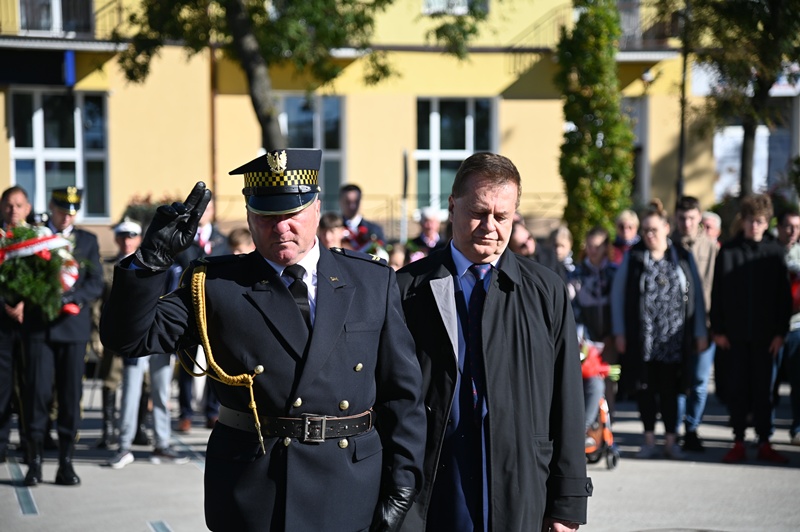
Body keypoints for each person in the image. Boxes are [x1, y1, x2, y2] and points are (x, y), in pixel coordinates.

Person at [100, 149, 425, 531]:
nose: (281, 227)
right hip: (254, 489)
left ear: (317, 208)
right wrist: (151, 260)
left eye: (292, 214)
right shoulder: (216, 285)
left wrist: (403, 482)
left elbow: (402, 395)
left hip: (348, 486)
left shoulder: (371, 281)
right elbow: (128, 339)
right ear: (250, 217)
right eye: (268, 216)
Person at [396, 152, 591, 532]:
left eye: (502, 217)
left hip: (521, 482)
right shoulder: (406, 290)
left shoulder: (546, 292)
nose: (490, 227)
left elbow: (567, 400)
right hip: (435, 483)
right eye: (479, 212)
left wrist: (567, 504)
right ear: (453, 206)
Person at [611, 199, 707, 460]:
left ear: (666, 228)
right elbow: (618, 296)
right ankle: (649, 440)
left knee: (672, 390)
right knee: (646, 390)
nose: (649, 235)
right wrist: (620, 332)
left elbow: (696, 296)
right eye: (645, 230)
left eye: (653, 229)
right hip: (644, 339)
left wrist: (700, 332)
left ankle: (671, 442)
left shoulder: (682, 256)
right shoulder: (634, 257)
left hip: (675, 339)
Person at [21, 187, 103, 486]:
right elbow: (23, 276)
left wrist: (73, 297)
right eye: (61, 210)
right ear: (51, 207)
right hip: (39, 328)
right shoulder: (35, 238)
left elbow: (95, 282)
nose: (67, 216)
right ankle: (34, 462)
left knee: (70, 397)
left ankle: (66, 462)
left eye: (72, 211)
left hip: (72, 327)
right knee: (37, 395)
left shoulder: (87, 241)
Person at [710, 194, 791, 463]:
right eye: (750, 221)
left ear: (767, 223)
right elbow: (717, 293)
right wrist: (718, 329)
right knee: (737, 389)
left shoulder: (775, 252)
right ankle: (738, 440)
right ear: (742, 221)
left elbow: (783, 297)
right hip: (734, 336)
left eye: (759, 221)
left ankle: (765, 440)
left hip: (766, 337)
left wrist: (780, 333)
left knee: (764, 391)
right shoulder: (729, 251)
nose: (754, 226)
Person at [93, 219, 151, 450]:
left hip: (140, 336)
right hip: (113, 334)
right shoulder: (107, 267)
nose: (127, 241)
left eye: (132, 237)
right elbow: (97, 306)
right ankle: (108, 430)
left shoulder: (148, 266)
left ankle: (139, 428)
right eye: (123, 237)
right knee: (110, 380)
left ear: (139, 239)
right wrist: (96, 336)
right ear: (117, 239)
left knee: (144, 383)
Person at [175, 197, 228, 433]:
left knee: (214, 364)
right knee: (187, 364)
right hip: (188, 309)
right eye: (200, 209)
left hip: (214, 310)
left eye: (208, 209)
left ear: (214, 211)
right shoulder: (183, 240)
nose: (204, 213)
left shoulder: (222, 240)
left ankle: (211, 410)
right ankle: (185, 413)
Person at [671, 196, 718, 452]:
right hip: (675, 328)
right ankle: (676, 429)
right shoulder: (669, 245)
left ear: (699, 217)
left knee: (699, 381)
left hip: (705, 324)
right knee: (679, 380)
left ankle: (692, 428)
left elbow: (717, 288)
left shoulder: (710, 248)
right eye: (682, 218)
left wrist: (712, 326)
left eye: (691, 218)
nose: (686, 223)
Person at [569, 226, 617, 438]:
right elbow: (571, 305)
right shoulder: (577, 273)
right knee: (589, 382)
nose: (593, 250)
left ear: (606, 247)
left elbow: (620, 305)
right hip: (585, 339)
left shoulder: (614, 272)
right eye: (589, 246)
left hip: (611, 338)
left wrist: (615, 333)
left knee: (610, 383)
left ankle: (608, 430)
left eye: (597, 246)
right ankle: (587, 430)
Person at [0, 186, 33, 463]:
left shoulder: (37, 240)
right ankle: (1, 444)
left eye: (18, 205)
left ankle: (29, 442)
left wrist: (26, 303)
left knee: (29, 386)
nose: (13, 211)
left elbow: (46, 279)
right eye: (9, 205)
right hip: (2, 324)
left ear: (28, 209)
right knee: (2, 388)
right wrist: (5, 304)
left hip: (29, 324)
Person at [776, 208, 800, 446]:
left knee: (798, 382)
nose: (792, 231)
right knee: (768, 384)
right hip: (771, 328)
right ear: (779, 227)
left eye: (797, 227)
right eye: (788, 226)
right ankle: (765, 432)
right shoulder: (769, 252)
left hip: (796, 326)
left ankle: (798, 428)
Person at [339, 183, 386, 250]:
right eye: (347, 202)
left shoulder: (374, 230)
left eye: (356, 202)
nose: (352, 206)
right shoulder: (334, 229)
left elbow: (382, 251)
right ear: (340, 202)